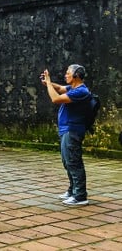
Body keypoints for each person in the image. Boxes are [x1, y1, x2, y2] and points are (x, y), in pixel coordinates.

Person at [41, 64, 91, 206]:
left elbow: (56, 99)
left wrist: (50, 84)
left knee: (74, 162)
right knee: (67, 162)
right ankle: (72, 190)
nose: (65, 75)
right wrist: (48, 83)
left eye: (68, 73)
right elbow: (61, 88)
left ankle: (80, 196)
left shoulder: (81, 91)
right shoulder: (73, 88)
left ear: (76, 76)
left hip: (73, 130)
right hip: (66, 129)